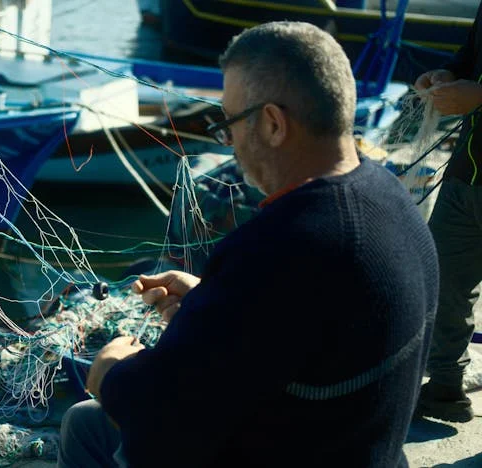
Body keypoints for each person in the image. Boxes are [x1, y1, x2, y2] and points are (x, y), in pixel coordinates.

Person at [57, 21, 439, 468]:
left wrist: (110, 375)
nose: (230, 142)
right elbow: (306, 327)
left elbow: (162, 419)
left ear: (274, 123)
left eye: (230, 123)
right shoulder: (393, 200)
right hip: (362, 446)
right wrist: (210, 300)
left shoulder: (281, 246)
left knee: (87, 422)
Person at [411, 1, 482, 424]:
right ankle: (445, 391)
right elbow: (469, 59)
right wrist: (447, 77)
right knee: (443, 287)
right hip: (466, 178)